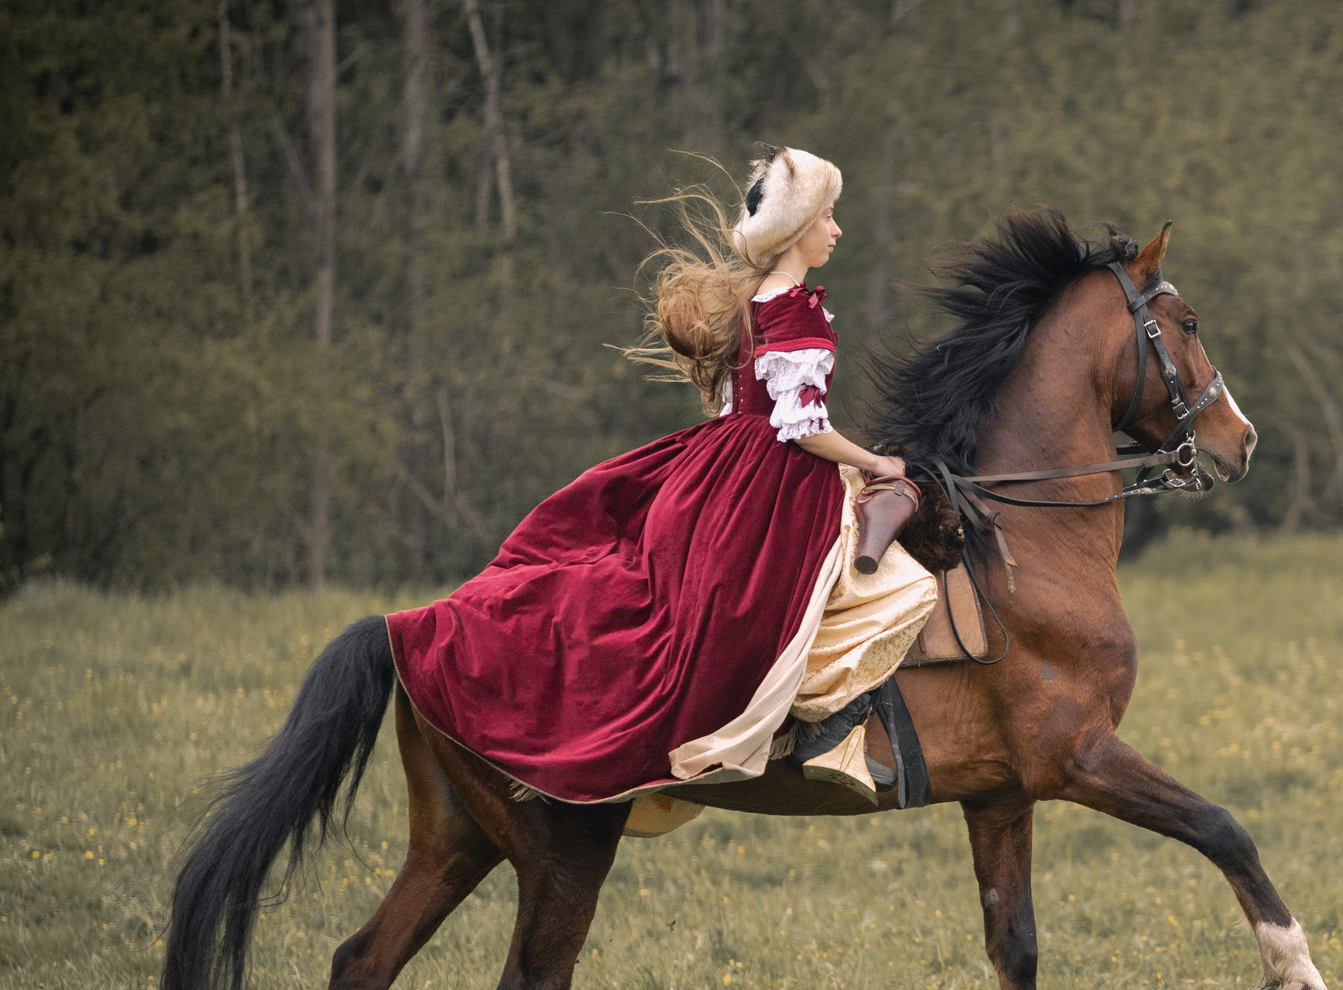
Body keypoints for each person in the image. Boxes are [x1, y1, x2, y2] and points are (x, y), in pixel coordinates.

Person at [384, 148, 939, 834]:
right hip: (777, 482)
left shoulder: (752, 304)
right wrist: (876, 462)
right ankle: (833, 734)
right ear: (796, 230)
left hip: (725, 467)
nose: (837, 229)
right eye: (828, 215)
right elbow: (802, 428)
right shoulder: (792, 311)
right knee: (907, 589)